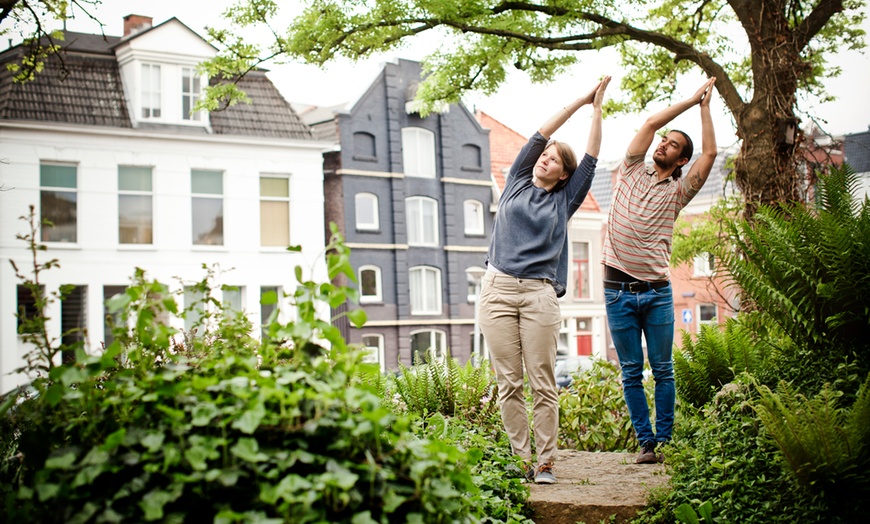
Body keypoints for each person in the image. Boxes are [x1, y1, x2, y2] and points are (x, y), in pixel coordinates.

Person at [479, 76, 611, 485]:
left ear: (564, 173)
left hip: (538, 296)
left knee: (542, 382)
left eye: (554, 159)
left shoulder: (565, 199)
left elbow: (591, 156)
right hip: (497, 290)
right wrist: (578, 99)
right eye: (544, 155)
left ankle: (546, 463)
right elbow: (541, 132)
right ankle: (521, 461)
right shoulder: (516, 179)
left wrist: (597, 108)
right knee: (509, 384)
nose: (545, 159)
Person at [602, 77, 718, 464]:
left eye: (672, 145)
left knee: (664, 370)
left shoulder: (680, 191)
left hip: (656, 293)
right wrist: (688, 99)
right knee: (631, 372)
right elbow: (651, 123)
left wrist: (704, 110)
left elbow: (711, 153)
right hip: (616, 290)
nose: (662, 144)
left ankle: (665, 441)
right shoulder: (631, 168)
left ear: (682, 160)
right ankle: (646, 444)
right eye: (663, 140)